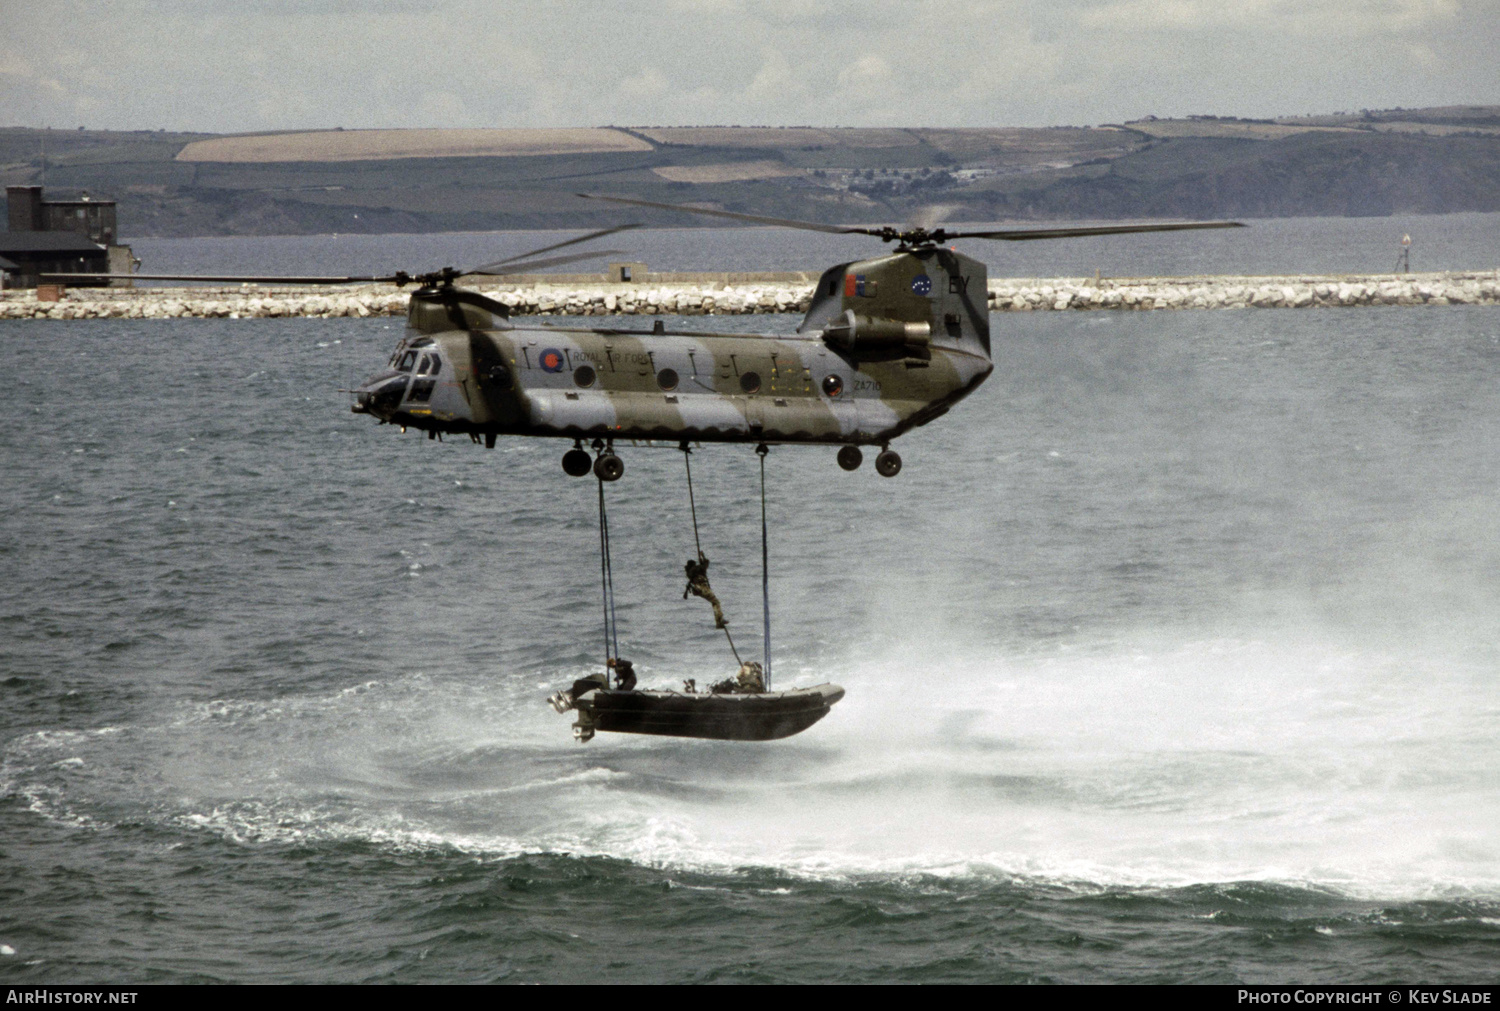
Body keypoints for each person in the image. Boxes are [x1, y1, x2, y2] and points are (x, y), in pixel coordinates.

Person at [682, 551, 727, 629]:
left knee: (714, 602)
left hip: (698, 589)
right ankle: (719, 620)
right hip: (703, 588)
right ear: (694, 565)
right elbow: (706, 564)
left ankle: (719, 621)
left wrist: (701, 562)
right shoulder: (696, 569)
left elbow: (702, 567)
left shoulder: (690, 573)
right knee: (716, 602)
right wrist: (703, 556)